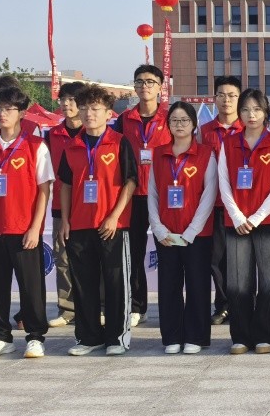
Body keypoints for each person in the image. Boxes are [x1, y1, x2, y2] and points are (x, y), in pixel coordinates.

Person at [0, 85, 53, 359]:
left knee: (31, 287)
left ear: (22, 113)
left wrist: (35, 228)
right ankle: (0, 337)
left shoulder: (35, 146)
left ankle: (36, 337)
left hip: (23, 228)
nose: (2, 114)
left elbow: (44, 190)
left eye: (8, 109)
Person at [58, 84, 138, 357]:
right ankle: (88, 337)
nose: (88, 113)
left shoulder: (119, 142)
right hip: (80, 225)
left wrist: (115, 216)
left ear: (108, 113)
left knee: (116, 283)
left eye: (95, 109)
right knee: (83, 284)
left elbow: (130, 181)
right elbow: (66, 184)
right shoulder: (72, 146)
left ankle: (117, 337)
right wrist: (65, 220)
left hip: (112, 226)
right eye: (84, 108)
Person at [218, 88, 270, 355]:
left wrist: (258, 217)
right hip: (236, 222)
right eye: (246, 110)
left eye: (257, 109)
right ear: (239, 113)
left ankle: (265, 335)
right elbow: (223, 181)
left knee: (269, 281)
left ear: (266, 113)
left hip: (269, 221)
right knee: (238, 282)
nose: (251, 115)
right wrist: (238, 216)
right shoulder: (228, 143)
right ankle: (240, 336)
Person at [149, 100, 217, 355]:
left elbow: (209, 194)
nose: (179, 125)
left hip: (196, 234)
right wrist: (158, 228)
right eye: (174, 120)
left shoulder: (206, 154)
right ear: (168, 125)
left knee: (197, 285)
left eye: (184, 120)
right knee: (169, 285)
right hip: (166, 233)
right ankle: (172, 336)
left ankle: (196, 336)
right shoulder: (158, 154)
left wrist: (192, 231)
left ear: (194, 124)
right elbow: (153, 193)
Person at [113, 63, 172, 328]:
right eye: (139, 82)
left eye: (150, 82)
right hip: (133, 195)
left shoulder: (171, 118)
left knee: (168, 250)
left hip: (163, 195)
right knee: (134, 252)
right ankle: (138, 306)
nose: (144, 86)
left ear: (160, 87)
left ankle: (170, 304)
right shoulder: (124, 120)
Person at [198, 75, 243, 325]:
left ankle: (243, 303)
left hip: (242, 205)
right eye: (222, 95)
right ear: (214, 99)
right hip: (214, 204)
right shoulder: (204, 131)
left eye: (232, 95)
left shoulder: (248, 128)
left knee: (242, 258)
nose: (227, 100)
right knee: (217, 259)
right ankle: (224, 305)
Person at [45, 79, 87, 327]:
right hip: (61, 206)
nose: (66, 104)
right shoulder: (52, 135)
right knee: (62, 257)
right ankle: (67, 308)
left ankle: (96, 306)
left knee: (91, 259)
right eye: (63, 99)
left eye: (72, 99)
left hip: (90, 206)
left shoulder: (94, 132)